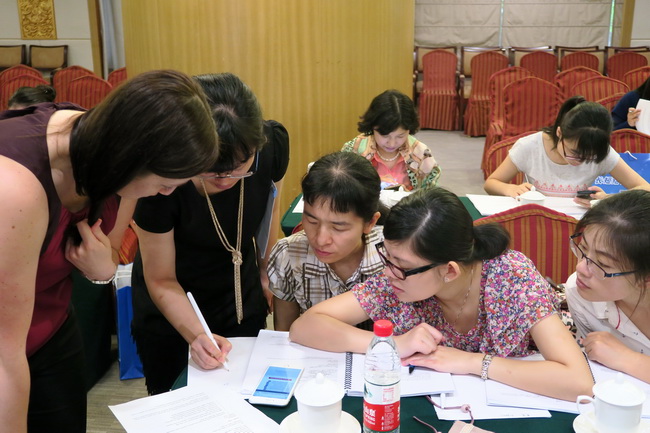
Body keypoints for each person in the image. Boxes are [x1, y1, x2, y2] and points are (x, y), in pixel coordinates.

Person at [0, 69, 219, 433]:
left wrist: (102, 271)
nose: (166, 195)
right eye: (164, 184)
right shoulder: (16, 187)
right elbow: (5, 357)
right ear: (130, 158)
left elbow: (107, 258)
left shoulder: (110, 161)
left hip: (52, 325)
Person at [290, 187, 593, 401]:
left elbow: (579, 382)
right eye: (387, 257)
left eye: (402, 265)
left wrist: (472, 362)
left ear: (449, 271)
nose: (388, 272)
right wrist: (394, 344)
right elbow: (306, 326)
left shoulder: (511, 277)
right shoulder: (398, 278)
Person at [131, 72, 290, 395]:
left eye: (239, 167)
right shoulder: (160, 177)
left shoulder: (271, 145)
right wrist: (195, 334)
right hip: (173, 304)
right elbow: (161, 279)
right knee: (179, 404)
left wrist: (264, 271)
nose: (226, 179)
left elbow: (269, 210)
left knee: (247, 397)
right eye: (211, 170)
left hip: (240, 293)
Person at [268, 152, 384, 331]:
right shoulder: (288, 255)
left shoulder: (393, 258)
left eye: (338, 227)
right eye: (312, 221)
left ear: (370, 223)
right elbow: (284, 333)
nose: (321, 240)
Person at [484, 96, 649, 203]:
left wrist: (608, 198)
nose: (580, 161)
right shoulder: (530, 146)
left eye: (589, 156)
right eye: (574, 153)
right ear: (559, 133)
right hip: (537, 219)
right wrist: (509, 189)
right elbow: (491, 183)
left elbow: (645, 188)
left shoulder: (602, 152)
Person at [565, 190, 650, 383]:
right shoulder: (581, 294)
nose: (580, 268)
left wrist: (629, 360)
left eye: (603, 264)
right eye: (583, 249)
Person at [342, 89, 440, 191]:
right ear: (373, 127)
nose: (392, 144)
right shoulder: (353, 150)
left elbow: (431, 193)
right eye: (385, 136)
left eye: (400, 136)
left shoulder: (421, 153)